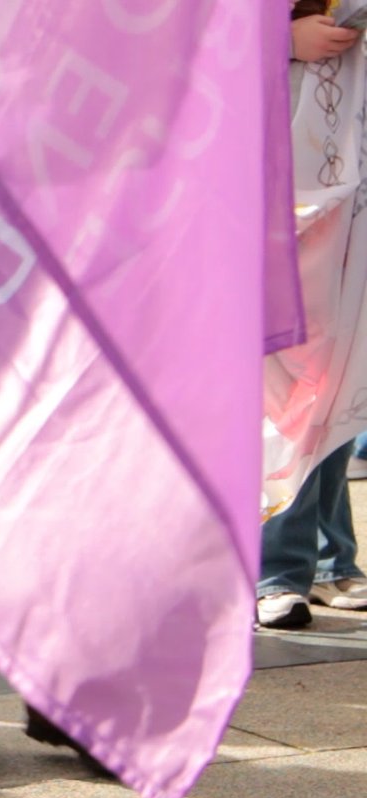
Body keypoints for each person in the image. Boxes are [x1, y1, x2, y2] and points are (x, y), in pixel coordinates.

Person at [256, 6, 367, 629]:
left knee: (336, 346)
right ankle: (282, 563)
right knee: (292, 355)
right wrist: (278, 38)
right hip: (269, 153)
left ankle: (325, 556)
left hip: (339, 141)